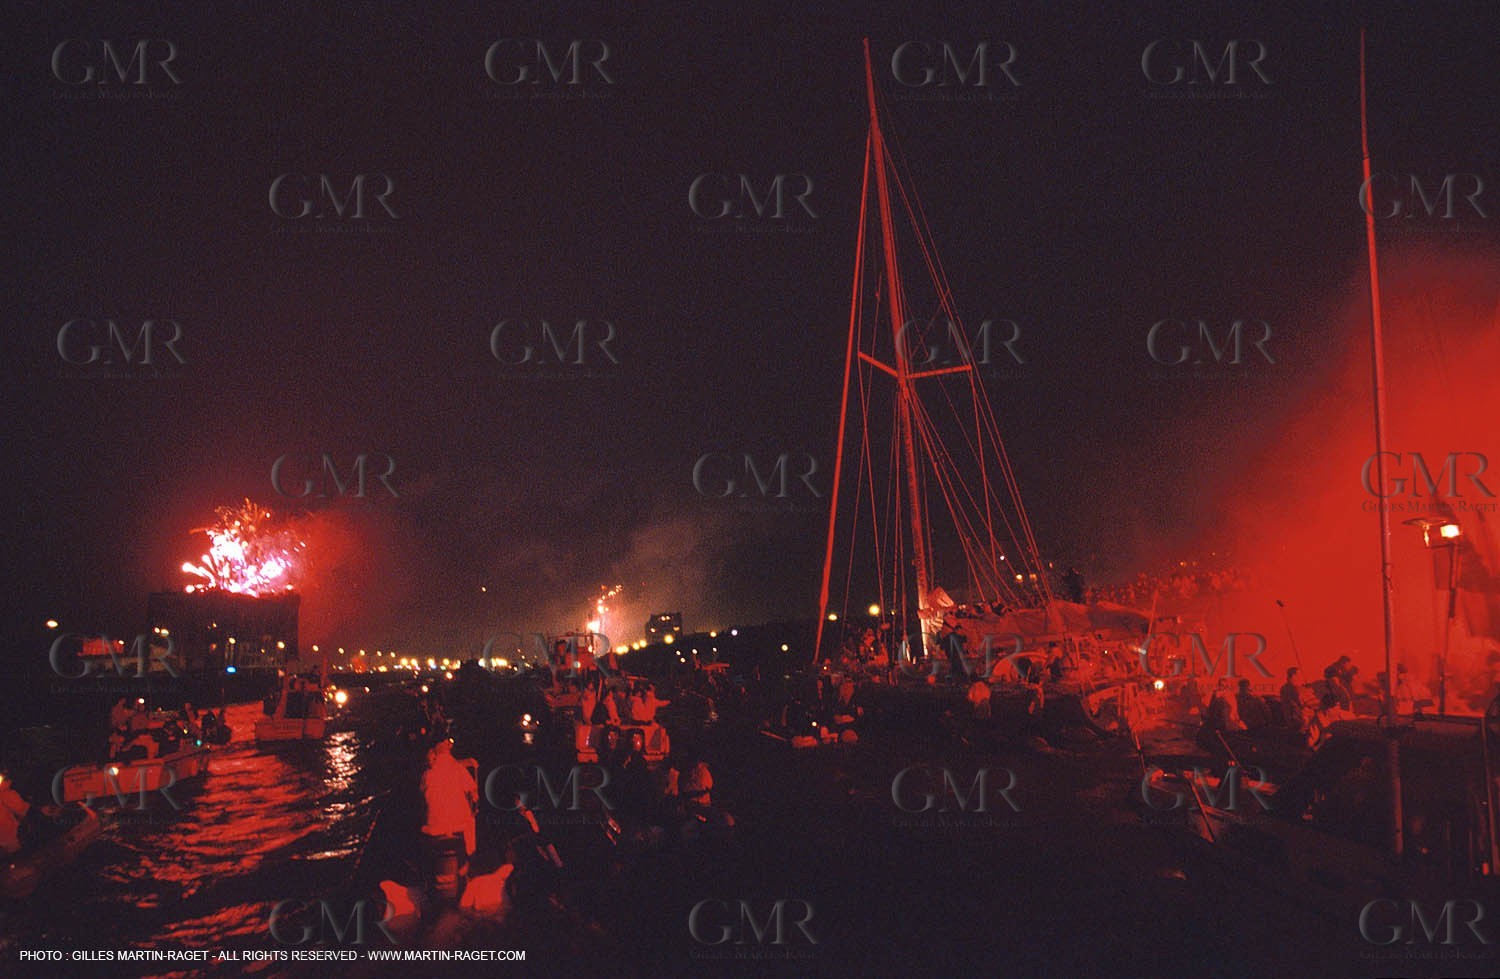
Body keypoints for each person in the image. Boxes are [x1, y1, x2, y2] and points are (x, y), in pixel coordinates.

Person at [421, 739, 479, 859]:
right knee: (470, 821)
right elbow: (473, 793)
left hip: (434, 825)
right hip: (458, 823)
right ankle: (470, 855)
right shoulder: (458, 769)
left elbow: (422, 791)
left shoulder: (427, 773)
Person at [1, 771, 31, 856]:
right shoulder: (6, 794)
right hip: (15, 844)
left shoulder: (5, 793)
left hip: (10, 846)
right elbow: (23, 810)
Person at [1279, 667, 1307, 732]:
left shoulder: (1284, 687)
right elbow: (1301, 702)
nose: (1300, 676)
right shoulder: (1295, 688)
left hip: (1289, 717)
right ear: (1294, 675)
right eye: (1299, 674)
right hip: (1297, 718)